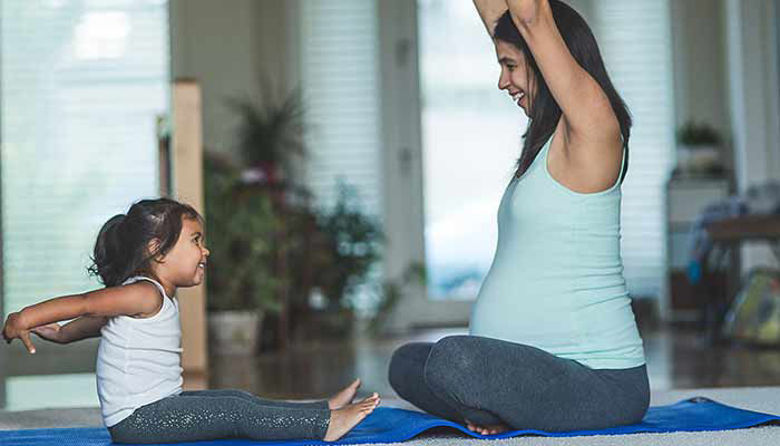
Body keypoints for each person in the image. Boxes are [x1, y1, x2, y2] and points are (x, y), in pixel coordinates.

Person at [388, 0, 649, 435]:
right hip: (532, 370)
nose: (501, 81)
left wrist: (528, 25)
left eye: (510, 65)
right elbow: (503, 16)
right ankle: (493, 404)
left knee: (456, 361)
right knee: (407, 363)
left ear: (547, 58)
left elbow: (530, 15)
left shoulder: (593, 129)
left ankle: (490, 403)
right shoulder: (546, 143)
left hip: (599, 381)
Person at [2, 198, 379, 443]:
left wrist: (61, 335)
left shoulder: (151, 294)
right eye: (195, 240)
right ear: (157, 251)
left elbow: (92, 323)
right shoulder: (144, 292)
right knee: (235, 412)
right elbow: (86, 304)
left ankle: (319, 409)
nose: (205, 250)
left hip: (155, 410)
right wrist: (25, 317)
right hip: (140, 423)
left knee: (235, 397)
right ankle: (323, 427)